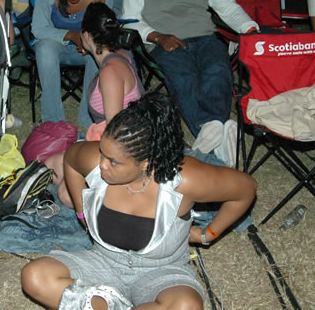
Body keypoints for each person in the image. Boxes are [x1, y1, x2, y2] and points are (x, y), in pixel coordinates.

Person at [21, 93, 257, 310]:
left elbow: (246, 189)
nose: (102, 164)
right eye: (103, 153)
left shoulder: (184, 180)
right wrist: (82, 212)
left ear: (146, 163)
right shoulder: (96, 161)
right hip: (103, 262)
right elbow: (71, 158)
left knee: (186, 306)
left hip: (162, 272)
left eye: (113, 162)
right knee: (35, 276)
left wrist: (208, 235)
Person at [122, 0, 258, 167]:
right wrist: (157, 36)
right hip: (166, 42)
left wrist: (249, 28)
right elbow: (130, 20)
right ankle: (216, 131)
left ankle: (210, 131)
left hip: (205, 36)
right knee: (185, 77)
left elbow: (227, 8)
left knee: (217, 70)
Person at [46, 2, 144, 207]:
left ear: (87, 36)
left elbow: (115, 130)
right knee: (50, 166)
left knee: (67, 193)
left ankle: (122, 198)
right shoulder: (121, 56)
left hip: (123, 151)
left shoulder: (111, 71)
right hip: (112, 140)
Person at [32, 0, 112, 128]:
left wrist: (88, 42)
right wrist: (71, 35)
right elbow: (38, 28)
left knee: (98, 51)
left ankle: (89, 117)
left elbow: (107, 29)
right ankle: (53, 121)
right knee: (44, 49)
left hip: (87, 48)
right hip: (57, 46)